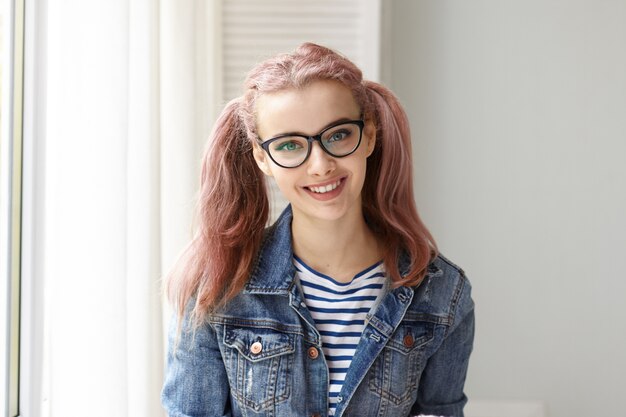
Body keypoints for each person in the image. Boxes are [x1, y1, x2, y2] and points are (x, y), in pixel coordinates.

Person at [161, 43, 474, 417]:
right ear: (263, 158)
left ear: (369, 135)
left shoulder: (442, 293)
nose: (321, 165)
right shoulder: (215, 286)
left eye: (338, 135)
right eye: (290, 145)